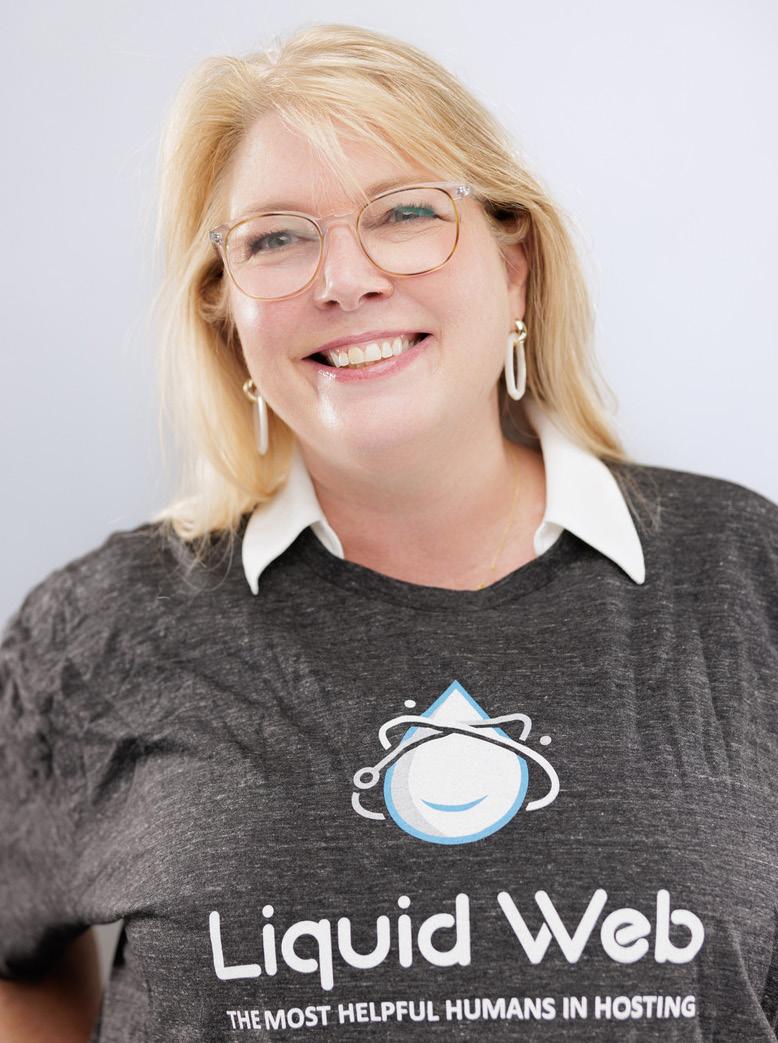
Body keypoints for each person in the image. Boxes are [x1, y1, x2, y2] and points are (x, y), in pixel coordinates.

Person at [1, 21, 777, 1043]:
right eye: (275, 238)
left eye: (406, 213)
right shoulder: (104, 629)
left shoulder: (746, 578)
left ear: (515, 266)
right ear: (226, 314)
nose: (344, 279)